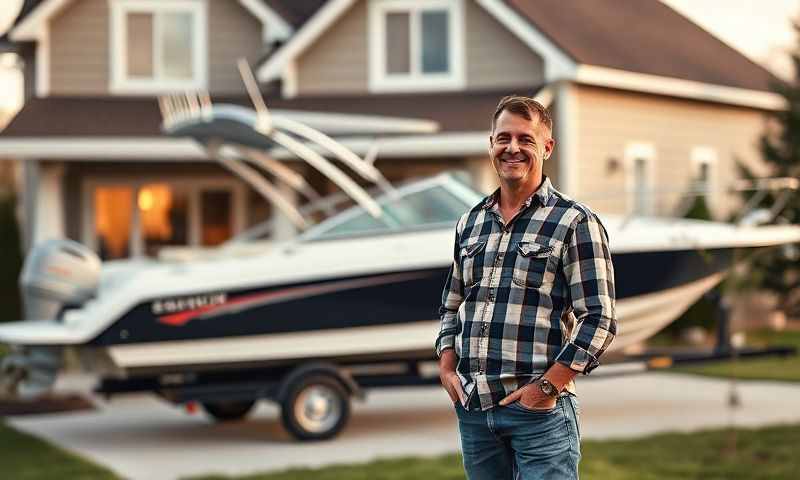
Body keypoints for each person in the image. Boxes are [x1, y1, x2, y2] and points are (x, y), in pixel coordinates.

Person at [435, 95, 616, 480]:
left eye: (525, 139)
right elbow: (452, 305)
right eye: (503, 138)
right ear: (491, 145)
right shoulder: (470, 222)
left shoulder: (575, 222)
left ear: (547, 147)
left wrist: (546, 389)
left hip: (539, 416)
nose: (512, 148)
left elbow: (599, 318)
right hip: (475, 412)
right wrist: (448, 368)